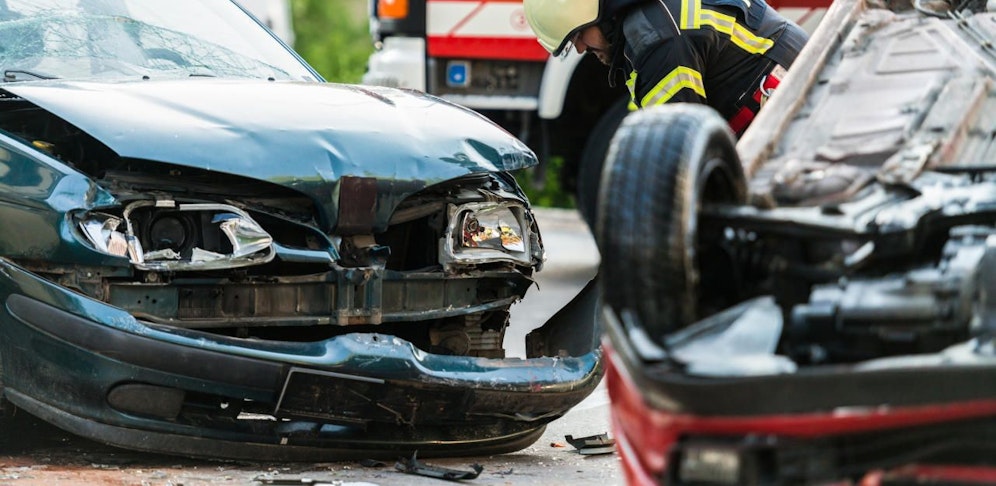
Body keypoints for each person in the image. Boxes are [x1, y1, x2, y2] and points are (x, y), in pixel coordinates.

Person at [524, 0, 809, 136]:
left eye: (578, 35)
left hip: (788, 105)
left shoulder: (656, 40)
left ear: (599, 14)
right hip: (793, 80)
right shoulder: (651, 17)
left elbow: (678, 146)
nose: (581, 49)